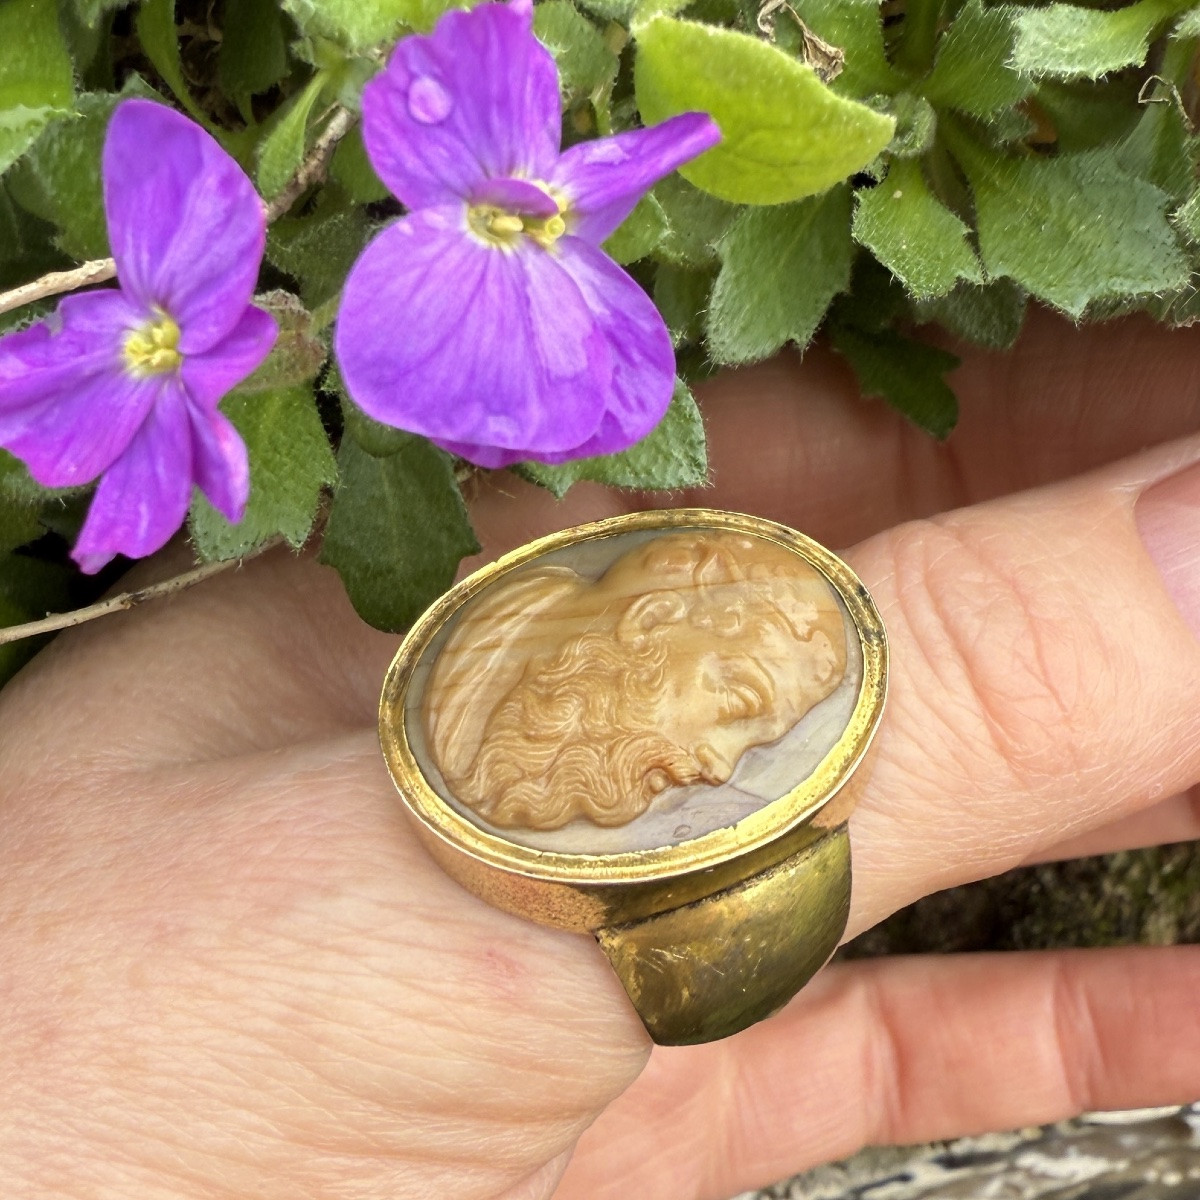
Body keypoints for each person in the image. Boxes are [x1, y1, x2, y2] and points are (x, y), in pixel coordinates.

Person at [2, 308, 1200, 1199]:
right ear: (644, 630)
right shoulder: (503, 743)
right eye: (737, 690)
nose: (733, 751)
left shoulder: (563, 740)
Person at [424, 529, 848, 832]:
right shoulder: (471, 673)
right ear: (651, 621)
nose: (722, 770)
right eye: (735, 705)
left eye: (755, 741)